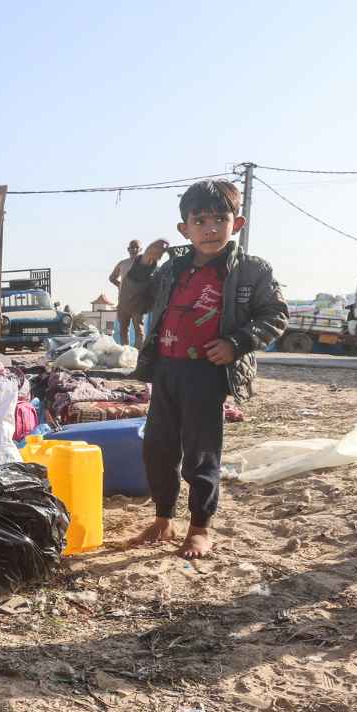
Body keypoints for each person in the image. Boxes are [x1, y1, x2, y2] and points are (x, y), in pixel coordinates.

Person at [125, 180, 288, 559]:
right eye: (199, 220)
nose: (210, 228)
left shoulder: (250, 270)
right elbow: (138, 301)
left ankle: (200, 528)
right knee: (158, 449)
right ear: (185, 228)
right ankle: (163, 520)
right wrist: (143, 266)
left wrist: (237, 343)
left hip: (207, 373)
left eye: (220, 218)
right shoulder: (172, 270)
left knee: (200, 452)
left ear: (238, 223)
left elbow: (276, 314)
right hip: (166, 369)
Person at [109, 240, 146, 346]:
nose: (134, 250)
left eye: (136, 248)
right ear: (128, 249)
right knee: (123, 330)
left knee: (138, 329)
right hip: (124, 302)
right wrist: (120, 286)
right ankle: (126, 354)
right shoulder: (122, 263)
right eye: (131, 248)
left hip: (138, 302)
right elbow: (112, 278)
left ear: (140, 250)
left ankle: (138, 355)